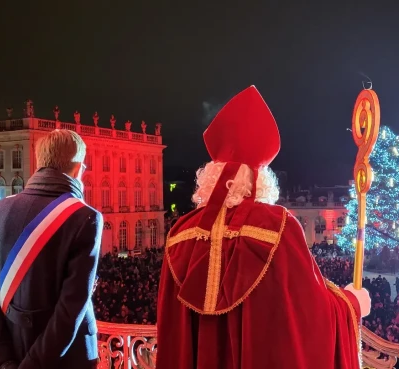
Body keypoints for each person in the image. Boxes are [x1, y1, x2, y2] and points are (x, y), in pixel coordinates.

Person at [156, 86, 371, 369]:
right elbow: (310, 321)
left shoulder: (180, 234)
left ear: (211, 171)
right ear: (261, 175)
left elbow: (172, 334)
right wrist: (351, 305)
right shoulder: (278, 227)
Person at [0, 129, 102, 369]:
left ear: (40, 164)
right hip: (66, 360)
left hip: (10, 351)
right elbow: (70, 311)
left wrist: (1, 360)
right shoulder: (86, 218)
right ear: (77, 168)